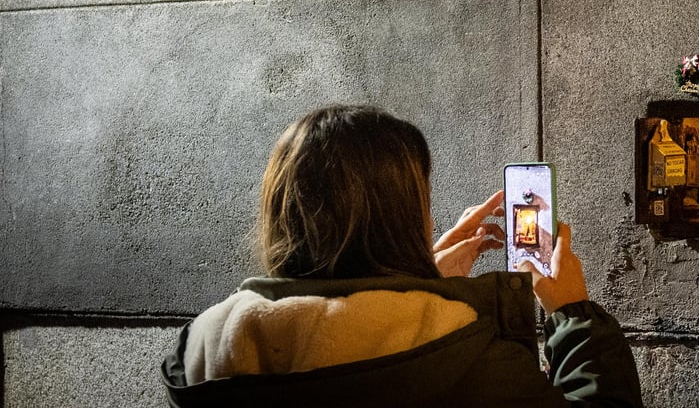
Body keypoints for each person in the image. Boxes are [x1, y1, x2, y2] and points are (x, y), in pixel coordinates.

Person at [161, 104, 643, 407]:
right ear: (402, 222)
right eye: (422, 204)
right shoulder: (465, 359)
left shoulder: (201, 351)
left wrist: (418, 284)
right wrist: (573, 315)